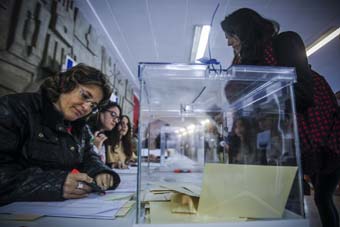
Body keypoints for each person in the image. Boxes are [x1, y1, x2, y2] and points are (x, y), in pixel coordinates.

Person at [221, 8, 340, 227]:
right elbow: (239, 99)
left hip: (313, 132)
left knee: (321, 198)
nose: (228, 42)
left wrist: (258, 103)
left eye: (230, 35)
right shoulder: (247, 61)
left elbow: (303, 94)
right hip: (277, 138)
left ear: (244, 31)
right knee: (280, 202)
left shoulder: (285, 42)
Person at [0, 64, 120, 205]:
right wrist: (56, 184)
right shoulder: (14, 108)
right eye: (85, 96)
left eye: (93, 106)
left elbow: (88, 156)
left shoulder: (80, 126)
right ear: (66, 84)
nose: (86, 107)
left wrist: (100, 171)